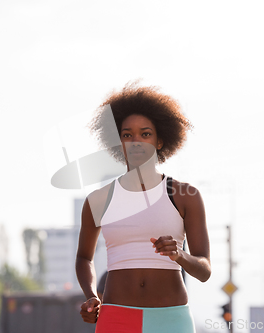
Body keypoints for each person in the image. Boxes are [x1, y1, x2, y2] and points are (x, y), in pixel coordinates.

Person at [76, 82, 211, 333]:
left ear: (160, 141)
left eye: (145, 134)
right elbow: (84, 257)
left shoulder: (185, 195)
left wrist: (180, 255)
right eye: (127, 135)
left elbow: (204, 270)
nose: (136, 141)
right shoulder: (98, 200)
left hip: (171, 319)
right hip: (116, 317)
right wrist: (92, 295)